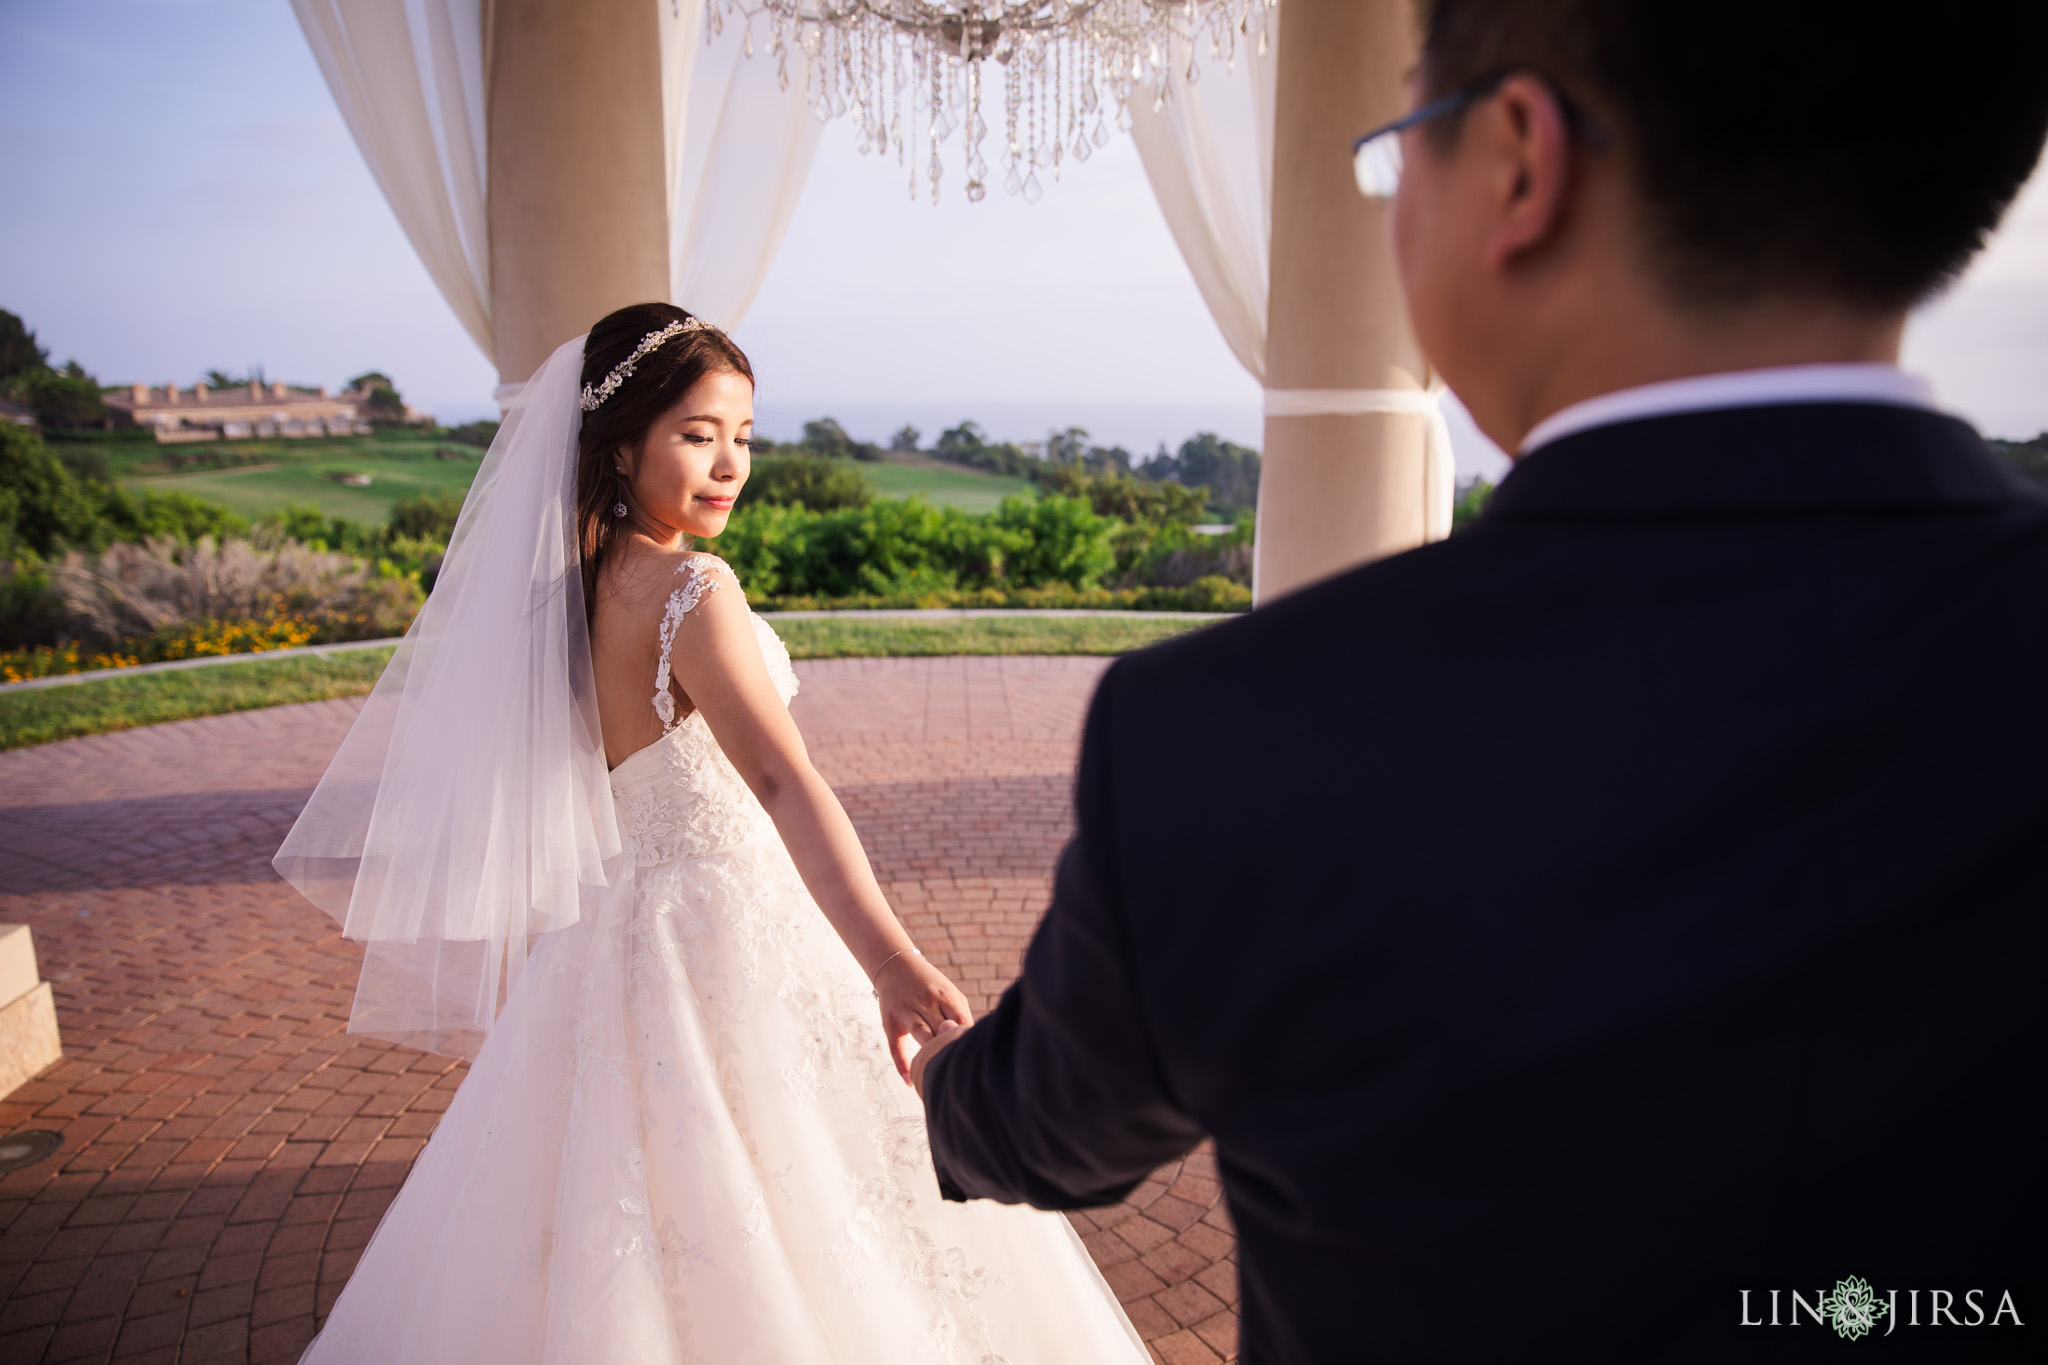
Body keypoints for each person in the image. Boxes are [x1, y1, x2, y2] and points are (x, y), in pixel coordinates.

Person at [912, 2, 2048, 1360]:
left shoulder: (1234, 737)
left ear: (1518, 159)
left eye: (1403, 151)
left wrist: (943, 1083)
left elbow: (1046, 1129)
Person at [275, 303, 1149, 1362]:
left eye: (742, 436)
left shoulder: (563, 600)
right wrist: (890, 958)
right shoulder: (694, 588)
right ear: (620, 442)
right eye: (697, 434)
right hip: (728, 928)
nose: (729, 463)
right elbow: (783, 784)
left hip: (605, 939)